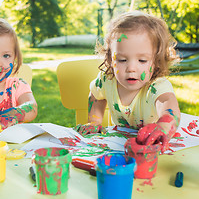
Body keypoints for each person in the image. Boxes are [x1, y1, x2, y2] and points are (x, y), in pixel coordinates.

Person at [75, 11, 180, 149]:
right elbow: (96, 95)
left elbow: (169, 105)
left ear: (157, 62)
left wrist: (163, 127)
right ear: (110, 59)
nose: (131, 68)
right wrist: (95, 122)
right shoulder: (107, 80)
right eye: (122, 59)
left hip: (150, 146)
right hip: (118, 146)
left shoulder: (156, 86)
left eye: (142, 60)